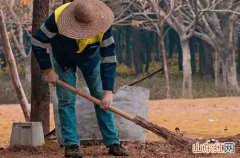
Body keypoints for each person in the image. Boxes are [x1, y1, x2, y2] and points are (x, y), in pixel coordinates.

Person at [31, 0, 129, 157]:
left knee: (100, 97)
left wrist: (108, 91)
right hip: (63, 59)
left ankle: (113, 142)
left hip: (91, 59)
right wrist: (47, 69)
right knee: (66, 100)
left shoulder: (103, 22)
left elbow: (109, 58)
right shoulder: (57, 19)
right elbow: (37, 41)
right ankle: (71, 145)